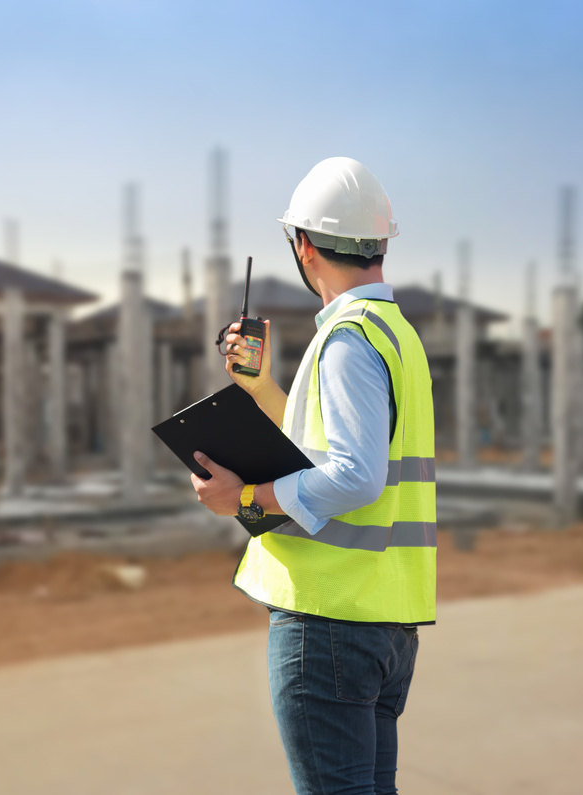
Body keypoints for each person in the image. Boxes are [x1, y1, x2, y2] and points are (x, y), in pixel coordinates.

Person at [190, 157, 436, 795]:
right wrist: (262, 388)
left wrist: (244, 496)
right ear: (380, 244)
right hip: (382, 620)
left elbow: (356, 476)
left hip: (329, 621)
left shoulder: (348, 341)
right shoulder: (393, 335)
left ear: (303, 246)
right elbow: (330, 453)